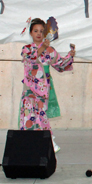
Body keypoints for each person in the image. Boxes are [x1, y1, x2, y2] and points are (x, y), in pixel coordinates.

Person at [19, 18, 75, 153]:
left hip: (44, 87)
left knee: (41, 114)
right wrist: (42, 47)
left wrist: (70, 56)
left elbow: (60, 65)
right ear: (31, 33)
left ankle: (48, 139)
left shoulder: (50, 50)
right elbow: (31, 60)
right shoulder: (26, 49)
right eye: (36, 31)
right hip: (30, 87)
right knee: (27, 115)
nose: (39, 34)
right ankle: (29, 143)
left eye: (41, 31)